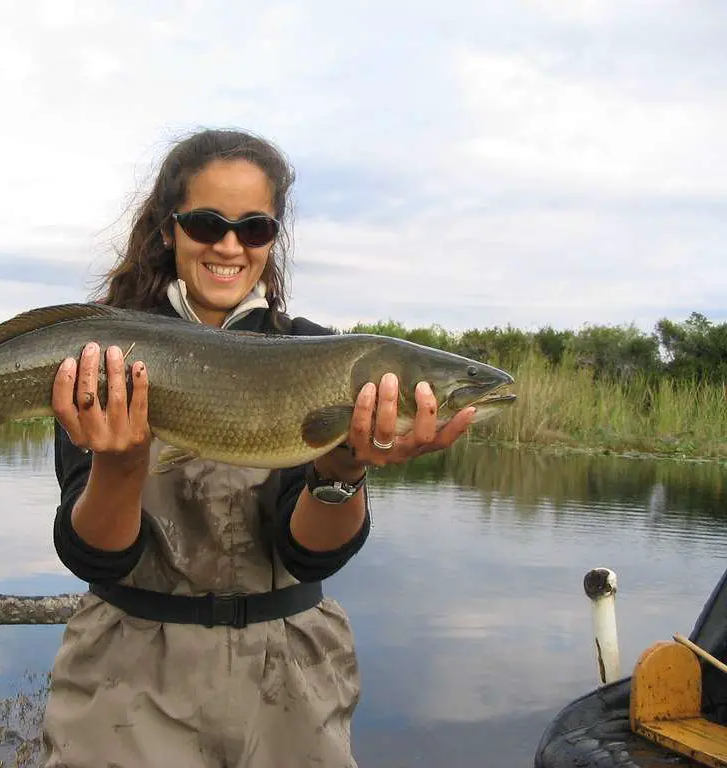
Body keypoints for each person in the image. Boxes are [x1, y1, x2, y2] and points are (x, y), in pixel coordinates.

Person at [41, 128, 475, 768]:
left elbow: (307, 554)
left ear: (273, 238)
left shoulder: (317, 352)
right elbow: (95, 557)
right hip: (125, 680)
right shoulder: (106, 353)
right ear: (170, 229)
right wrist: (121, 463)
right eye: (207, 222)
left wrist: (343, 467)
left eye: (254, 229)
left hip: (289, 680)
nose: (228, 244)